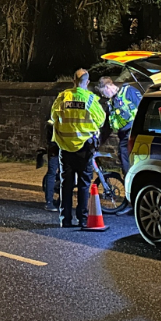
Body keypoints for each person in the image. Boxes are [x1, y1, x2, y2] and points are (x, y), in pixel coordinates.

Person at [50, 68, 106, 227]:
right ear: (87, 82)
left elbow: (53, 116)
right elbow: (101, 120)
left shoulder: (63, 97)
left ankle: (65, 219)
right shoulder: (90, 99)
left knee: (65, 184)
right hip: (84, 148)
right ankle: (82, 219)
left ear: (73, 80)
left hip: (65, 148)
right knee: (83, 185)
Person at [97, 76, 142, 215]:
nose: (103, 96)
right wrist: (98, 143)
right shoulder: (111, 103)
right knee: (126, 168)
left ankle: (134, 203)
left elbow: (143, 110)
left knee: (133, 169)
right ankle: (132, 202)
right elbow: (107, 128)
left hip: (135, 135)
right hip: (124, 138)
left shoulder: (129, 91)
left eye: (103, 93)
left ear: (108, 87)